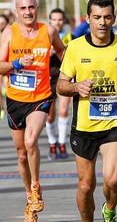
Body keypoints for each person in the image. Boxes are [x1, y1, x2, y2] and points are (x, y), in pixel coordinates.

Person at [57, 0, 117, 222]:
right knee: (86, 186)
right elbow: (61, 85)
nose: (102, 23)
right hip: (84, 124)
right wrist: (77, 86)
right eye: (97, 17)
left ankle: (109, 208)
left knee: (113, 179)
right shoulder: (75, 48)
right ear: (87, 18)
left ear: (114, 19)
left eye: (107, 17)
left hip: (114, 122)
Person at [0, 0, 65, 222]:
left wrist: (69, 76)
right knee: (22, 155)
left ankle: (36, 185)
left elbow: (63, 53)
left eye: (31, 7)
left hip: (41, 96)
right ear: (16, 11)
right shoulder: (9, 33)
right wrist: (16, 64)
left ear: (37, 9)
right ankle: (29, 197)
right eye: (23, 8)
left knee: (31, 141)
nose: (27, 11)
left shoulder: (49, 31)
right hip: (15, 99)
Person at [47, 8, 72, 160]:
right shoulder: (44, 36)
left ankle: (62, 144)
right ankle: (52, 143)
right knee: (50, 115)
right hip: (47, 77)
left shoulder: (71, 37)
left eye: (60, 19)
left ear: (64, 21)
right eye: (54, 19)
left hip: (64, 76)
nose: (57, 22)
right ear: (50, 21)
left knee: (63, 111)